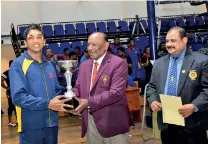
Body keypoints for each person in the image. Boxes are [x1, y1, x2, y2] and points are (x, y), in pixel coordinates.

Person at [9, 24, 72, 144]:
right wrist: (47, 104)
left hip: (52, 124)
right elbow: (18, 97)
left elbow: (56, 91)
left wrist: (70, 97)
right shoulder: (18, 65)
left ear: (44, 41)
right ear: (25, 43)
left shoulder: (49, 65)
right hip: (31, 127)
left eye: (39, 37)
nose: (36, 40)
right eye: (31, 37)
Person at [147, 27, 208, 144]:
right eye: (167, 41)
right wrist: (153, 101)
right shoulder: (159, 63)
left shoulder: (202, 61)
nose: (169, 44)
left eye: (173, 41)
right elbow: (151, 87)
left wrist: (194, 106)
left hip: (192, 124)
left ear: (184, 41)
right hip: (167, 124)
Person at [71, 32, 134, 144]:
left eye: (94, 45)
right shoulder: (84, 66)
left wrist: (88, 102)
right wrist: (72, 97)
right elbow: (78, 87)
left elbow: (115, 93)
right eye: (88, 45)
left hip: (112, 121)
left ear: (106, 45)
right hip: (90, 120)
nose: (90, 48)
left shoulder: (118, 63)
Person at [1, 60, 17, 127]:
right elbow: (1, 82)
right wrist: (6, 87)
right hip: (10, 92)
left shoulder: (17, 72)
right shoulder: (5, 73)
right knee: (11, 106)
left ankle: (18, 120)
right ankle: (10, 121)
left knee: (17, 105)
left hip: (16, 91)